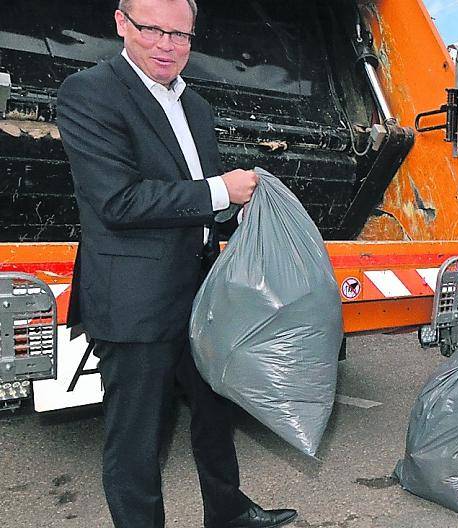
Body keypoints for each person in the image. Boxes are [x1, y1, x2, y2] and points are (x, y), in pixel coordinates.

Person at [56, 1, 297, 526]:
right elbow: (117, 202)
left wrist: (239, 213)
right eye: (153, 30)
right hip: (135, 301)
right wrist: (219, 190)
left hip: (202, 294)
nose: (168, 45)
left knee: (215, 413)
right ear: (121, 24)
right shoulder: (89, 92)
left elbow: (198, 202)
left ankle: (228, 513)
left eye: (181, 35)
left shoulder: (197, 108)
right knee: (137, 440)